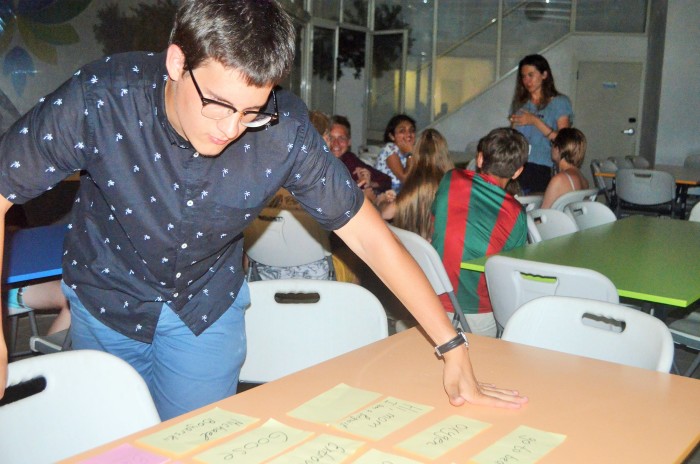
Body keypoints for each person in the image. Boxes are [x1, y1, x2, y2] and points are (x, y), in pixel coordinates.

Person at [0, 0, 527, 416]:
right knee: (116, 443)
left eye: (251, 111)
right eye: (218, 104)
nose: (231, 129)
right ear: (177, 62)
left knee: (198, 444)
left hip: (204, 308)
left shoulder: (284, 129)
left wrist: (453, 346)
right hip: (107, 296)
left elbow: (370, 237)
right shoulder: (101, 98)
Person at [431, 128, 529, 337]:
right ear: (518, 171)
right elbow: (510, 272)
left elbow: (434, 222)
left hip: (432, 302)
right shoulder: (516, 214)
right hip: (478, 316)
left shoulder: (451, 179)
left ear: (480, 158)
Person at [509, 54, 572, 195]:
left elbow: (565, 142)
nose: (526, 81)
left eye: (531, 75)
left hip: (543, 166)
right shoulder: (522, 103)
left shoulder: (559, 102)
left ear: (544, 75)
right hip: (519, 164)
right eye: (523, 76)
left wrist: (535, 121)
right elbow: (514, 137)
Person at [380, 128, 454, 240]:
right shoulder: (452, 184)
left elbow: (386, 214)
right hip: (442, 246)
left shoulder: (415, 187)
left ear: (417, 153)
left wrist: (382, 201)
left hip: (415, 247)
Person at [328, 115, 392, 202]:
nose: (336, 143)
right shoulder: (317, 164)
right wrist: (358, 192)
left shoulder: (350, 159)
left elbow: (386, 181)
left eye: (341, 138)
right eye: (331, 138)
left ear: (349, 142)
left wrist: (370, 183)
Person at [540, 128, 590, 209]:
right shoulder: (582, 178)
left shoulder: (559, 179)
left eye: (553, 143)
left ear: (558, 149)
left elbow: (543, 213)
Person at [374, 114, 416, 192]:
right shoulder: (389, 149)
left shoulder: (414, 151)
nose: (409, 134)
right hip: (386, 194)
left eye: (412, 130)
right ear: (392, 136)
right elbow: (405, 179)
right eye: (402, 131)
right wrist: (410, 154)